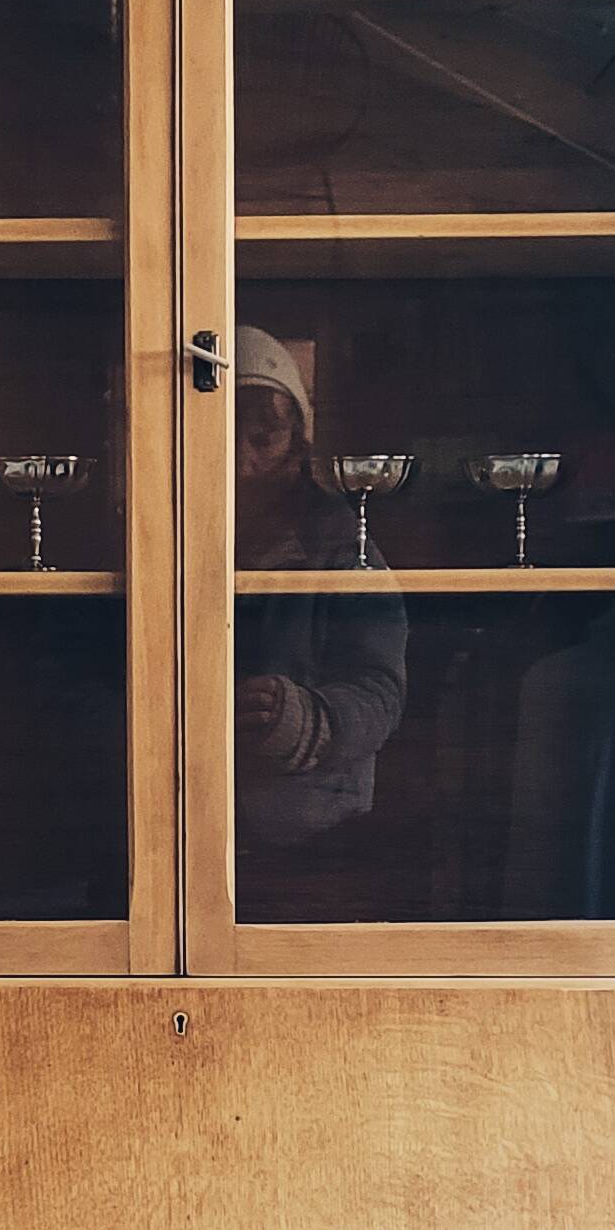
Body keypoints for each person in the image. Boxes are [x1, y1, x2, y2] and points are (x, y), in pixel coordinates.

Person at [233, 324, 407, 848]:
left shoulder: (341, 546)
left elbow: (378, 689)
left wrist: (303, 719)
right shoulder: (153, 541)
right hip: (162, 819)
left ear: (297, 441)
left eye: (263, 437)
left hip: (311, 826)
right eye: (221, 434)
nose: (242, 461)